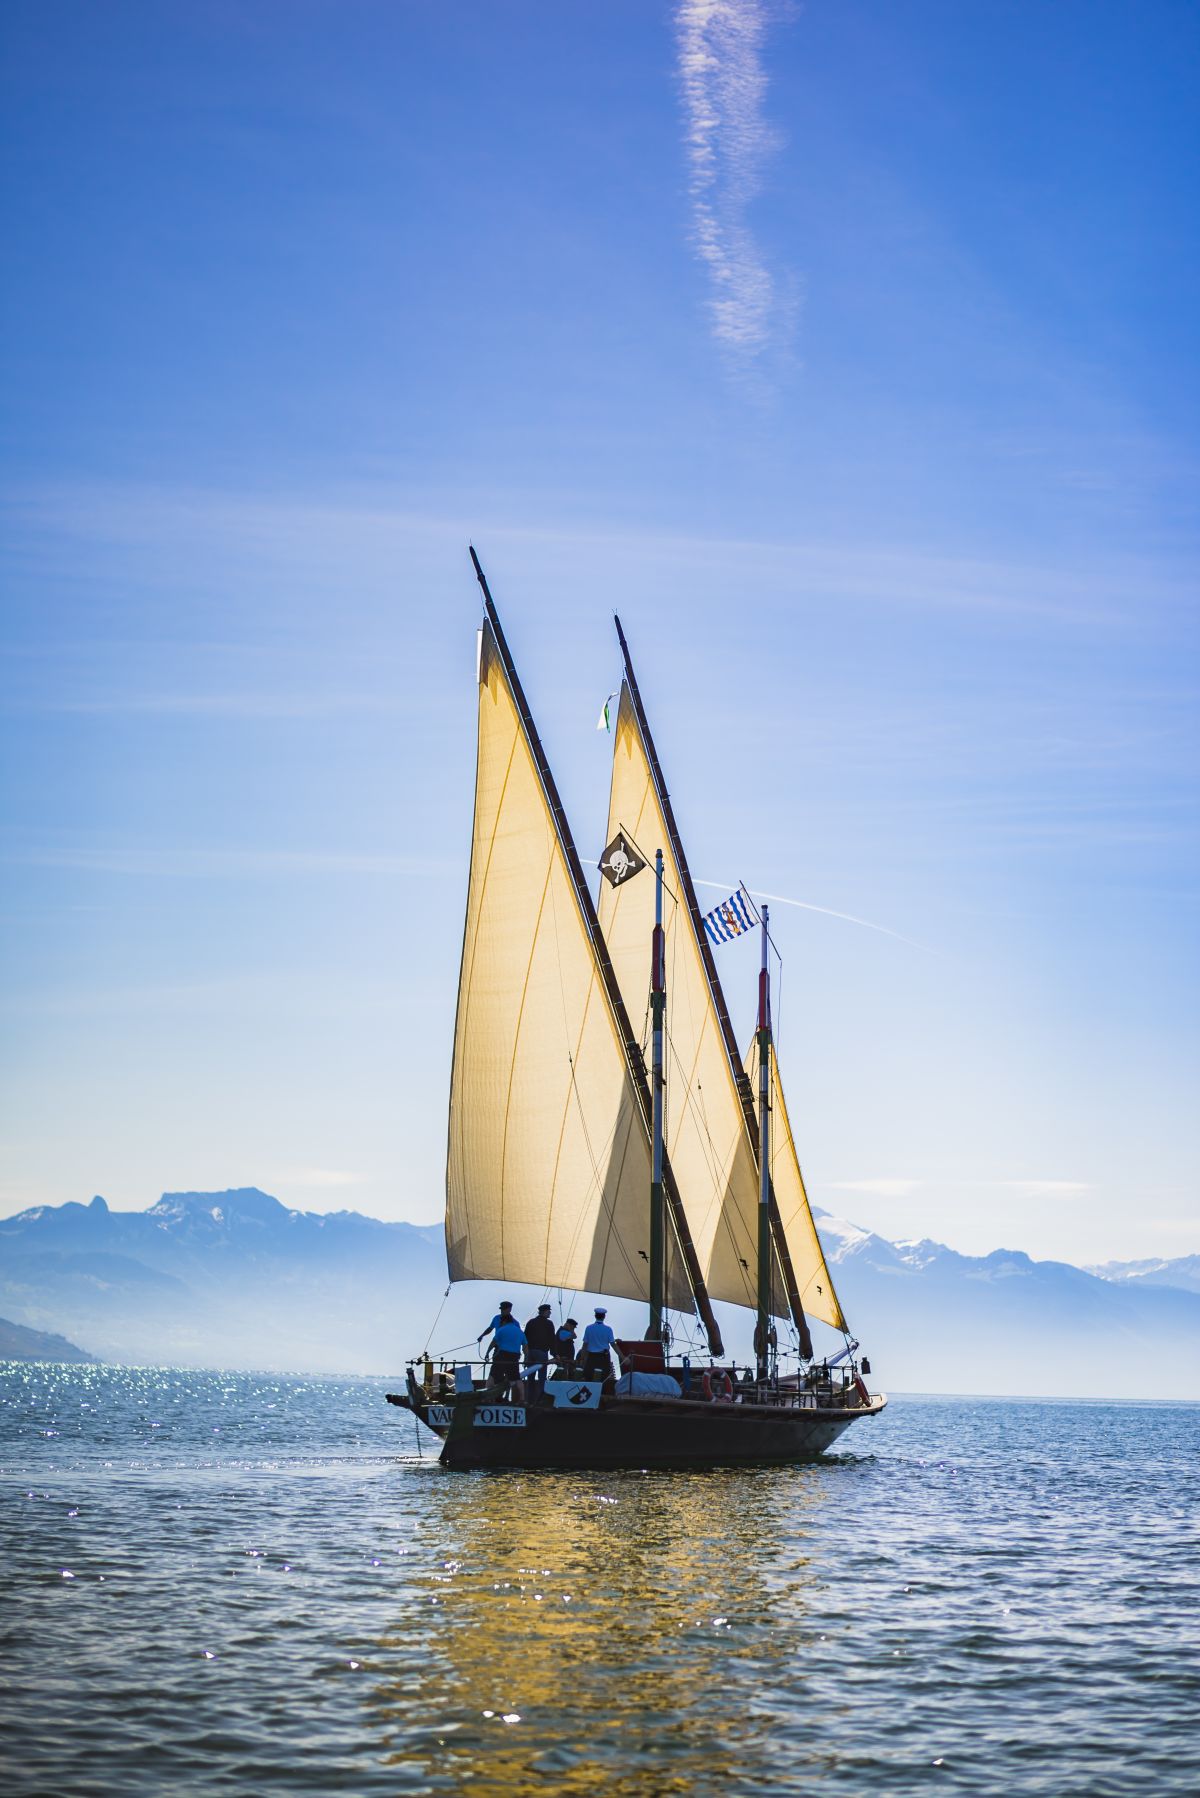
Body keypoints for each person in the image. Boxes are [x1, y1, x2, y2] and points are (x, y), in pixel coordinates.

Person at [477, 1300, 525, 1399]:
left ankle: (506, 1396)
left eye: (504, 1309)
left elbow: (518, 1339)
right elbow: (490, 1328)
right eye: (502, 1309)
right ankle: (497, 1395)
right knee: (498, 1373)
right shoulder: (496, 1318)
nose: (502, 1311)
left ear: (509, 1309)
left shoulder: (515, 1323)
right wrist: (482, 1336)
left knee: (507, 1375)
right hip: (499, 1349)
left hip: (509, 1351)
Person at [523, 1303, 556, 1398]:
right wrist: (554, 1353)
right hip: (542, 1352)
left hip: (530, 1352)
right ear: (544, 1312)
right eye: (549, 1311)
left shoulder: (531, 1322)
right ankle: (540, 1399)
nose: (550, 1313)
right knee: (542, 1377)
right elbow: (552, 1339)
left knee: (530, 1376)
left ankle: (529, 1398)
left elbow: (525, 1338)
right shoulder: (549, 1324)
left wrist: (525, 1354)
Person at [581, 1307, 619, 1387]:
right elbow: (613, 1344)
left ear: (595, 1316)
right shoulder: (608, 1329)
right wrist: (623, 1357)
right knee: (603, 1379)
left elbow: (585, 1345)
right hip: (603, 1358)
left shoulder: (589, 1328)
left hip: (591, 1357)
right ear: (604, 1316)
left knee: (589, 1377)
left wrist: (582, 1358)